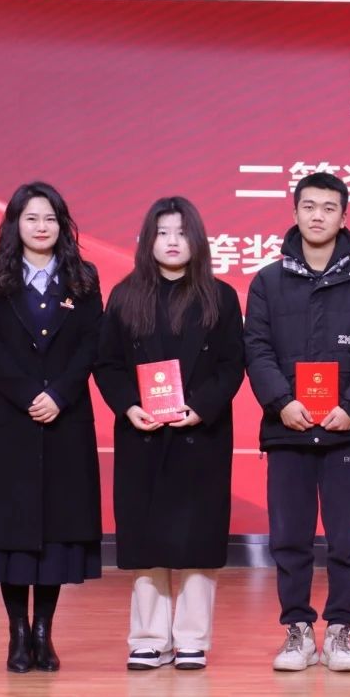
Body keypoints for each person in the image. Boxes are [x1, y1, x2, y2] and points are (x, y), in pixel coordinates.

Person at [243, 172, 350, 673]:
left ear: (344, 217)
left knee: (347, 537)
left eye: (329, 208)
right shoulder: (267, 281)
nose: (318, 216)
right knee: (290, 537)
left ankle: (341, 630)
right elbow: (256, 350)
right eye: (309, 206)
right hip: (287, 429)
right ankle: (298, 630)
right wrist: (281, 402)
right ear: (294, 213)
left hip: (348, 430)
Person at [95, 197, 245, 671]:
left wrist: (199, 409)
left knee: (198, 539)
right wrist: (129, 406)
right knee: (146, 537)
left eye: (181, 232)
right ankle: (149, 638)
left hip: (201, 434)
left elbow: (232, 365)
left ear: (197, 240)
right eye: (162, 233)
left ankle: (192, 638)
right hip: (142, 433)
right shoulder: (125, 296)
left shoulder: (221, 297)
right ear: (148, 241)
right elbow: (107, 363)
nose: (173, 241)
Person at [0, 181, 103, 673]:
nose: (41, 227)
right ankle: (17, 633)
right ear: (15, 224)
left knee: (57, 531)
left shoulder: (83, 277)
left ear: (62, 225)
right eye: (31, 218)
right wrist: (29, 396)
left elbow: (93, 343)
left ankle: (44, 632)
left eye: (50, 219)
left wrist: (60, 394)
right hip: (10, 420)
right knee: (12, 529)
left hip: (66, 419)